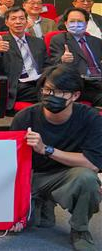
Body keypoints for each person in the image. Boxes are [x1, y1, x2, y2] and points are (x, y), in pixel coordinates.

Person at [9, 65, 102, 251]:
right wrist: (14, 209)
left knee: (88, 179)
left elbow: (92, 163)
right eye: (47, 90)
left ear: (75, 95)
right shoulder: (24, 117)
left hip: (66, 177)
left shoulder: (90, 118)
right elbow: (11, 165)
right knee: (16, 224)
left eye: (59, 92)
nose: (51, 96)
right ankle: (42, 203)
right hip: (32, 178)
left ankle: (80, 229)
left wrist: (46, 149)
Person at [0, 7, 48, 113]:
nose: (18, 22)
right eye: (13, 19)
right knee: (50, 95)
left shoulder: (38, 42)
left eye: (21, 18)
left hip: (40, 81)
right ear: (6, 22)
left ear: (26, 21)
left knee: (65, 89)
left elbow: (47, 64)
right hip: (18, 84)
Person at [48, 8, 102, 106]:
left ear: (86, 24)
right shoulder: (59, 40)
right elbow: (53, 63)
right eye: (72, 21)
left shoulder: (96, 41)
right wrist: (63, 59)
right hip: (82, 83)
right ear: (66, 23)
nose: (76, 24)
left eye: (80, 21)